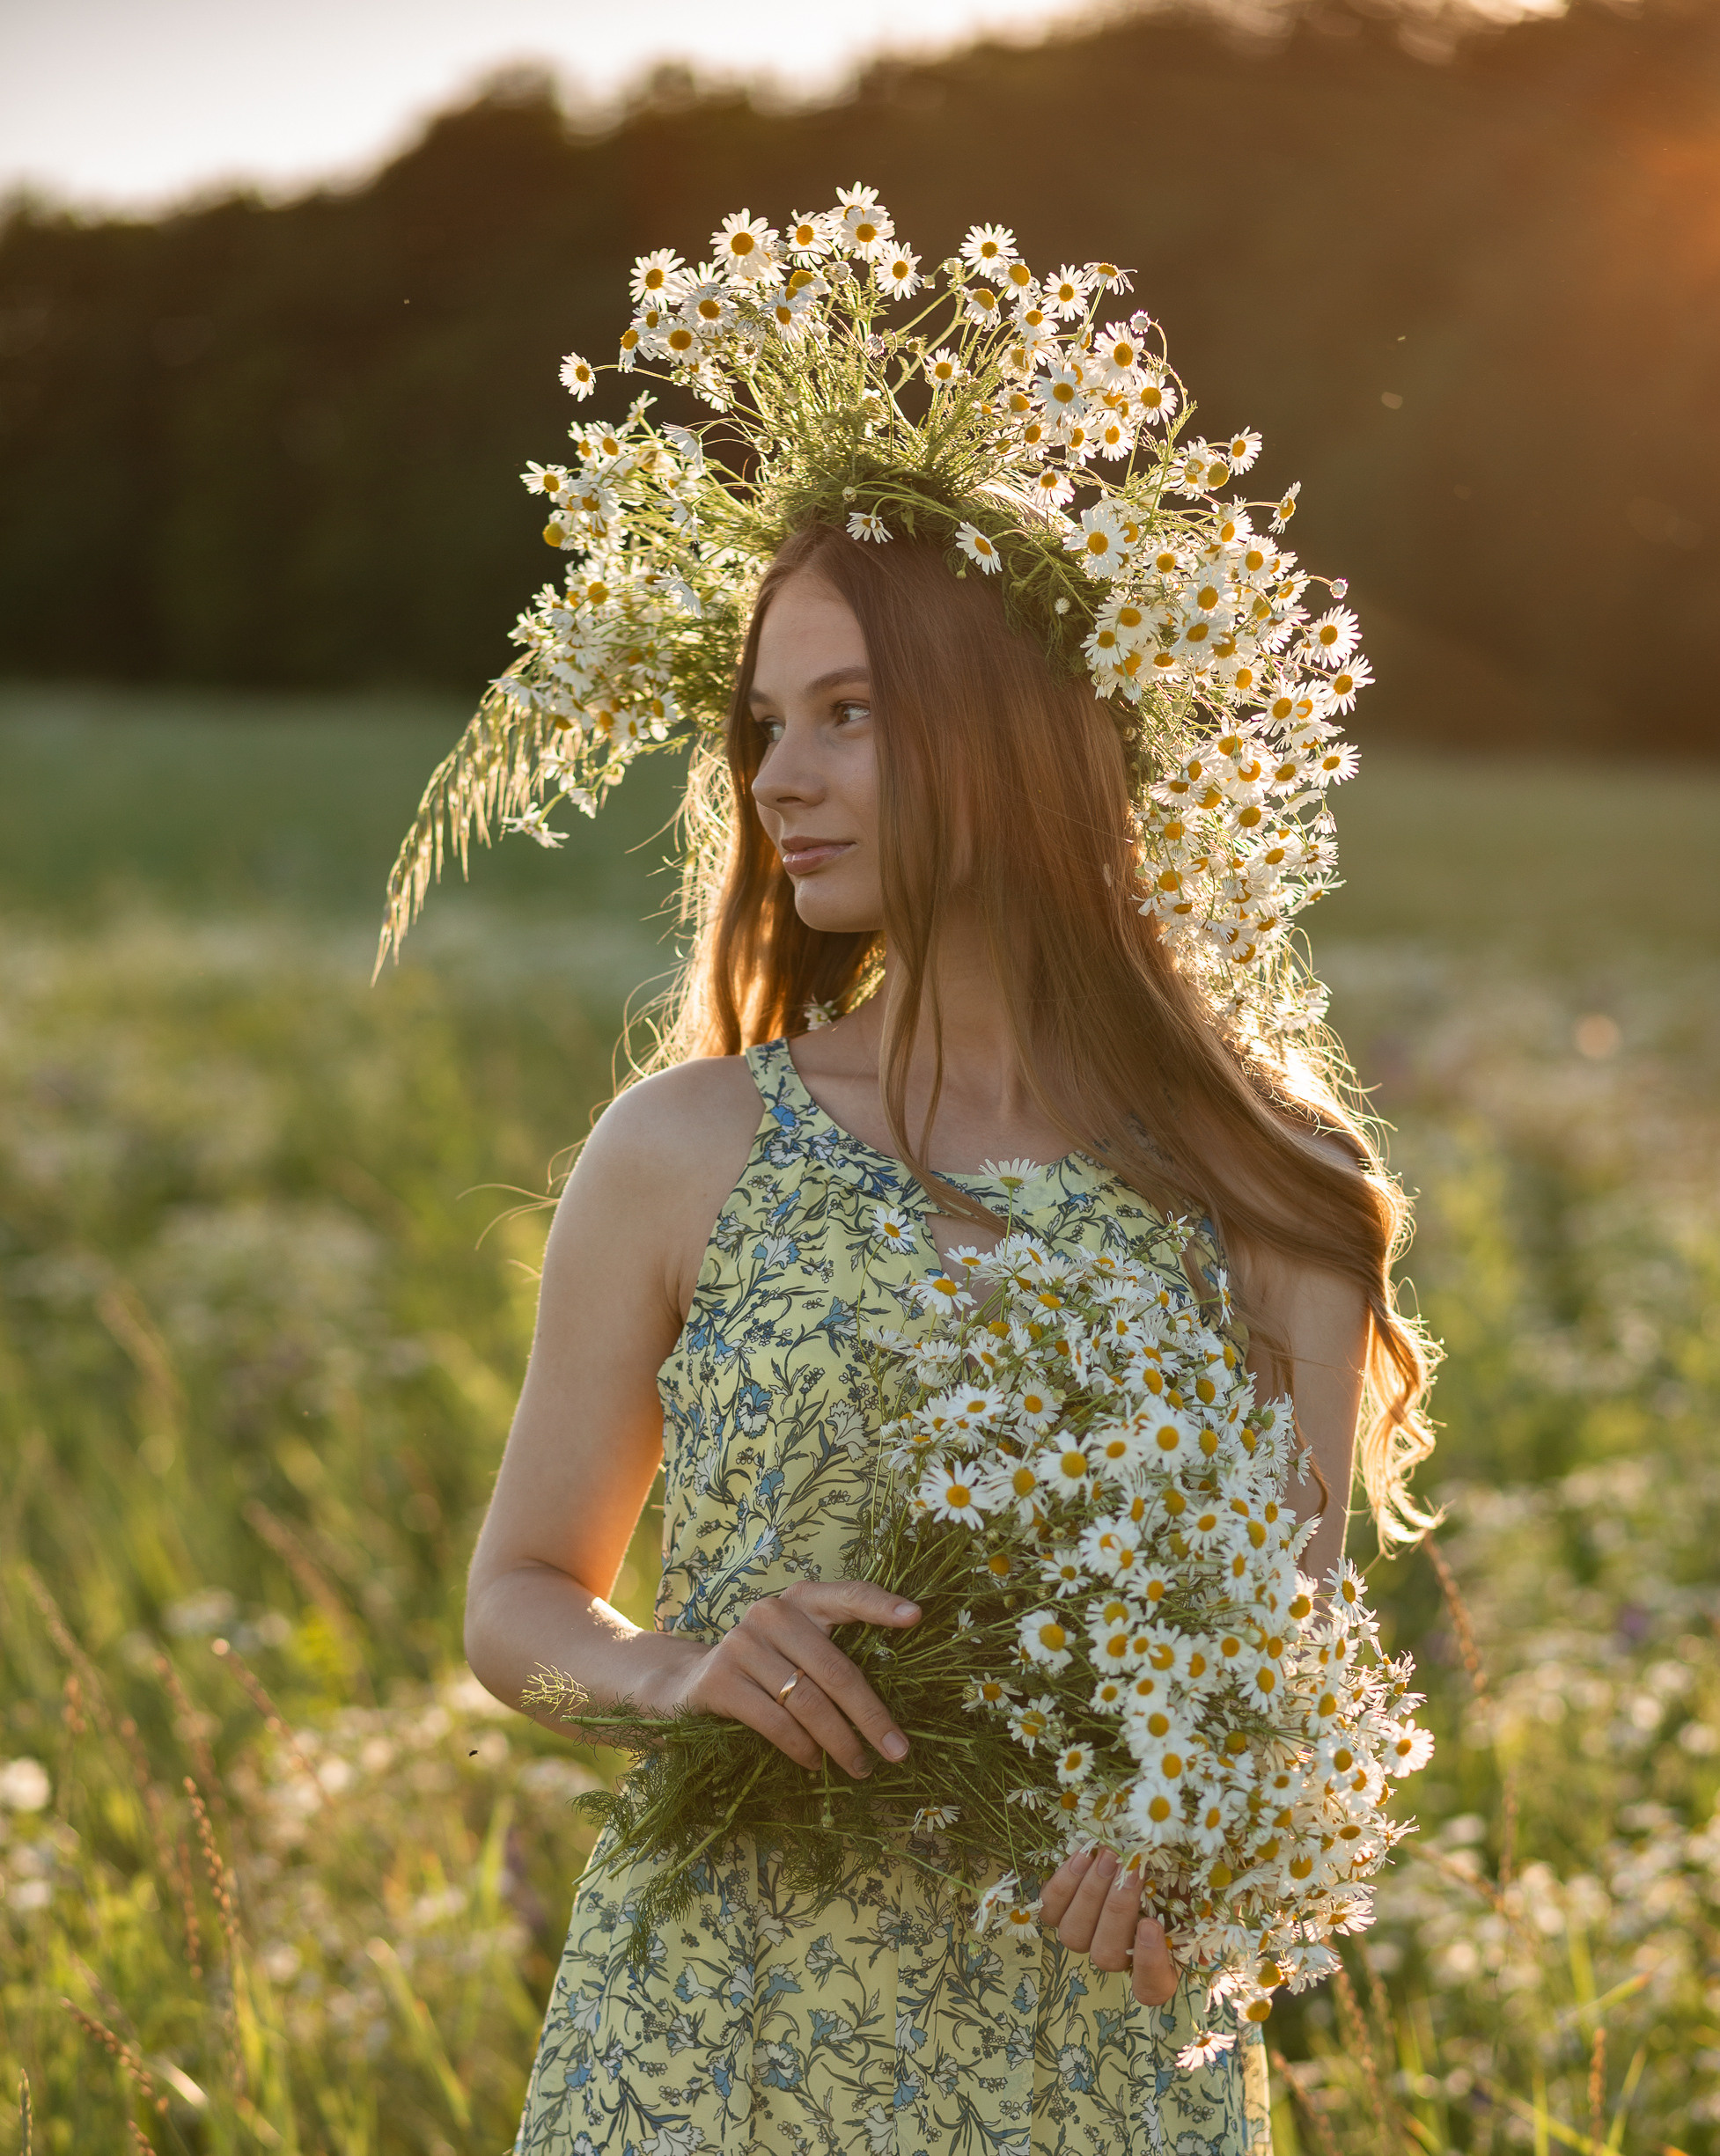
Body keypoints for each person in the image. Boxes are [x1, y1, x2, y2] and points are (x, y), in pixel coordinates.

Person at [461, 520, 1435, 2155]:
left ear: (1019, 735)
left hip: (1087, 2047)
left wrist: (1202, 1846)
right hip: (719, 2026)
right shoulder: (683, 1147)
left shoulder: (1272, 1186)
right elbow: (515, 1597)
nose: (778, 777)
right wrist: (673, 1666)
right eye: (766, 723)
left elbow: (1281, 1663)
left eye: (849, 712)